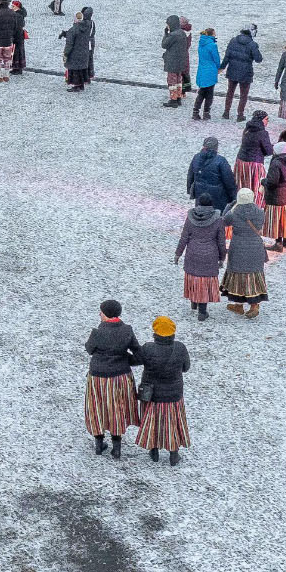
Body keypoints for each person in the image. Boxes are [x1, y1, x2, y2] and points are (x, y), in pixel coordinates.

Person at [84, 299, 140, 459]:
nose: (99, 314)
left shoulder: (97, 333)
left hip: (98, 378)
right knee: (117, 409)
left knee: (97, 408)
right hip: (120, 376)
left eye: (101, 311)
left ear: (106, 314)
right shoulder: (127, 330)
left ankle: (99, 444)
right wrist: (125, 360)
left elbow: (89, 349)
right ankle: (117, 448)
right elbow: (138, 353)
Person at [133, 317, 191, 465]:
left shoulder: (148, 348)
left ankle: (154, 450)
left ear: (155, 332)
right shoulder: (180, 348)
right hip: (173, 394)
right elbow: (186, 368)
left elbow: (136, 360)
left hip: (152, 394)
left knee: (153, 422)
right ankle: (174, 453)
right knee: (173, 422)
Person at [174, 196, 228, 323]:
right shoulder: (217, 219)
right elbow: (221, 241)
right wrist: (222, 257)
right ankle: (202, 312)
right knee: (204, 282)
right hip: (210, 255)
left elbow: (184, 238)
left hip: (193, 253)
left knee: (194, 278)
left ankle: (194, 302)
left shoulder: (191, 217)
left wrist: (178, 254)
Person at [221, 195, 270, 317]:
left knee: (238, 277)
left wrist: (229, 206)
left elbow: (223, 221)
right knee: (254, 276)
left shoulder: (234, 213)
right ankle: (253, 305)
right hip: (256, 247)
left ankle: (239, 305)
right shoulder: (259, 212)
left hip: (238, 247)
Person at [262, 140, 286, 250]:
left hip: (276, 197)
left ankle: (278, 243)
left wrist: (263, 182)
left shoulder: (276, 163)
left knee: (277, 220)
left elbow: (272, 182)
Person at [188, 135, 238, 210]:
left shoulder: (196, 157)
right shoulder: (221, 160)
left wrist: (190, 190)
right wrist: (233, 196)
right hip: (218, 196)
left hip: (200, 193)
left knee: (201, 212)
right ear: (216, 148)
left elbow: (190, 176)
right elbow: (229, 181)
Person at [221, 26, 260, 120]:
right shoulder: (252, 44)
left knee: (230, 92)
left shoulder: (233, 40)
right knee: (243, 95)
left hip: (232, 70)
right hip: (245, 73)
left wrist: (222, 67)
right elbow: (258, 59)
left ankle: (226, 112)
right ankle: (240, 115)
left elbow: (227, 56)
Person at [61, 7, 95, 90]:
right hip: (83, 52)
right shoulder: (88, 25)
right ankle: (81, 84)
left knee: (75, 70)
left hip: (75, 54)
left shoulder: (74, 29)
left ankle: (76, 85)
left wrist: (65, 53)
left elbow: (70, 44)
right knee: (81, 69)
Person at [191, 27, 221, 120]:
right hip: (210, 71)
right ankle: (206, 113)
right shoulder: (212, 45)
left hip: (202, 71)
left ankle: (195, 112)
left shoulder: (201, 43)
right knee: (209, 94)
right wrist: (218, 68)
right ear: (212, 34)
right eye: (214, 33)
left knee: (201, 93)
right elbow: (216, 58)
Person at [160, 15, 189, 107]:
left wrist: (166, 34)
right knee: (178, 80)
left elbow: (164, 45)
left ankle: (173, 100)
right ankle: (178, 98)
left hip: (172, 62)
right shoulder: (182, 33)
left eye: (168, 24)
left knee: (172, 81)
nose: (167, 26)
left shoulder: (173, 35)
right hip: (180, 61)